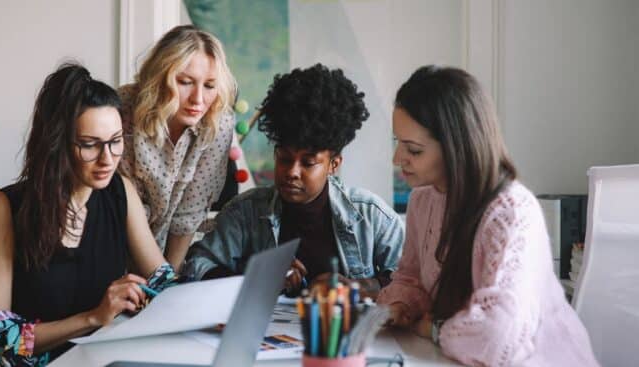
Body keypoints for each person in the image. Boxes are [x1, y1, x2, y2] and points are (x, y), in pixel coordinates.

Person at [0, 63, 180, 365]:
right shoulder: (5, 207)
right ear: (57, 144)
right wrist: (93, 318)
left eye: (115, 141)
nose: (107, 159)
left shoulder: (120, 192)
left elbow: (162, 279)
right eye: (89, 145)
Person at [377, 65, 599, 366]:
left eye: (413, 150)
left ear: (456, 147)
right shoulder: (422, 200)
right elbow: (410, 278)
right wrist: (400, 304)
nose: (397, 159)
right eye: (397, 143)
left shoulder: (511, 212)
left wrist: (433, 328)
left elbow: (498, 336)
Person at [184, 64, 405, 298]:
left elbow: (412, 279)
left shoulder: (371, 215)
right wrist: (258, 277)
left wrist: (358, 288)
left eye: (308, 163)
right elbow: (196, 266)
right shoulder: (244, 213)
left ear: (334, 164)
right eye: (284, 158)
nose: (292, 172)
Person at [118, 25, 237, 271]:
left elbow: (188, 215)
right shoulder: (122, 110)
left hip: (161, 258)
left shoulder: (218, 121)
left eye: (210, 85)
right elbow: (125, 207)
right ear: (160, 78)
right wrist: (158, 280)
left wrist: (168, 283)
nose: (198, 99)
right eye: (185, 82)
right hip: (111, 248)